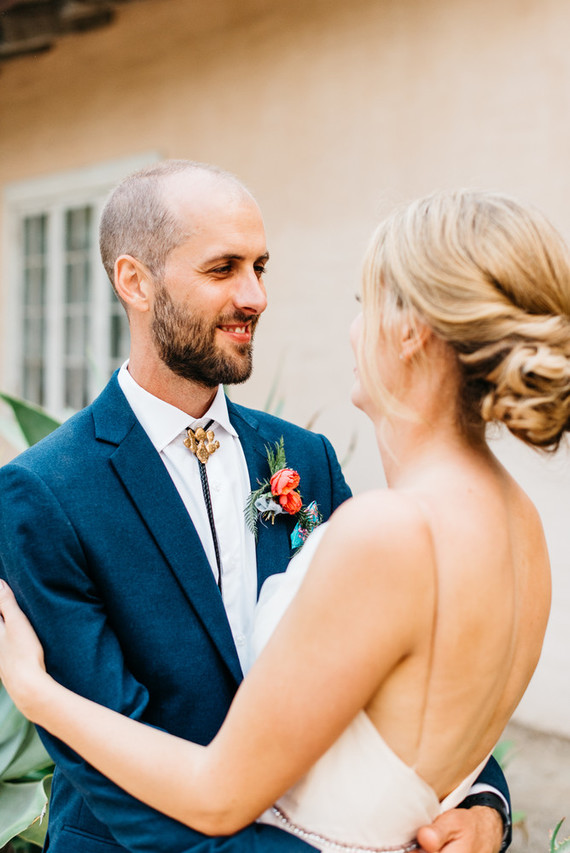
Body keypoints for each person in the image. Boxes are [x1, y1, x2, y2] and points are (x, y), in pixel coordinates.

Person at [0, 168, 511, 853]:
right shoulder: (44, 492)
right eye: (224, 269)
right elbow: (115, 771)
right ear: (135, 282)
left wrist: (481, 803)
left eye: (260, 267)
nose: (256, 297)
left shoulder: (305, 458)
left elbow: (404, 660)